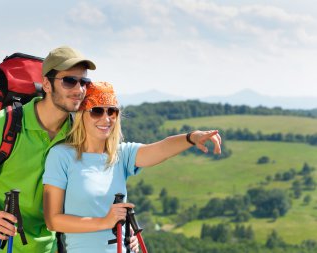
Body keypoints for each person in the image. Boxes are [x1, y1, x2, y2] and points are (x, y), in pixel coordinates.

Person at [0, 46, 142, 253]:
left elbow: (93, 186)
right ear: (46, 83)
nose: (79, 89)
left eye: (84, 82)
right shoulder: (2, 124)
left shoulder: (78, 134)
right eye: (69, 81)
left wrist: (123, 230)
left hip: (49, 248)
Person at [43, 82, 222, 253]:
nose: (106, 119)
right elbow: (53, 220)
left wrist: (191, 137)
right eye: (96, 111)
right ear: (82, 114)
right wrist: (105, 222)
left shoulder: (121, 155)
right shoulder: (61, 156)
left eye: (112, 112)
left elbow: (160, 149)